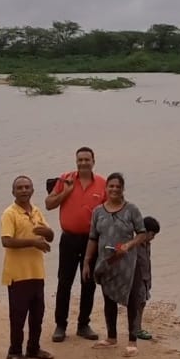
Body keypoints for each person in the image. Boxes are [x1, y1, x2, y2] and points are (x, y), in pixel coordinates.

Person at [45, 146, 107, 342]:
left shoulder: (103, 183)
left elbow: (110, 210)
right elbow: (49, 204)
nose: (83, 163)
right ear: (76, 161)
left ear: (93, 161)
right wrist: (67, 191)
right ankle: (60, 325)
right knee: (65, 282)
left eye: (86, 159)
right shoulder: (66, 179)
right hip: (69, 239)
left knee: (88, 283)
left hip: (92, 240)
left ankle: (83, 324)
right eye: (80, 160)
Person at [83, 173, 147, 357]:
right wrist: (87, 261)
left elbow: (142, 233)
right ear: (106, 188)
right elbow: (93, 238)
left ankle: (132, 341)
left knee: (132, 299)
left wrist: (128, 245)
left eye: (117, 186)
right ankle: (111, 337)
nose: (114, 189)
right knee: (108, 298)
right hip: (106, 261)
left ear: (123, 189)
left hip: (128, 262)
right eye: (111, 186)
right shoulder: (98, 212)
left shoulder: (131, 210)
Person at [0, 175, 56, 359]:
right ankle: (14, 351)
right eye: (20, 188)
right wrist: (32, 241)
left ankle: (33, 348)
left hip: (36, 272)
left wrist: (46, 233)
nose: (24, 190)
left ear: (32, 190)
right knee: (18, 316)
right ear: (13, 192)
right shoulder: (9, 213)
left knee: (37, 314)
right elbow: (6, 241)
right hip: (17, 274)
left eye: (27, 187)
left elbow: (50, 235)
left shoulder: (37, 211)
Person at [132, 216, 160, 341]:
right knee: (138, 303)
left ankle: (137, 327)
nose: (153, 238)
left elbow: (147, 262)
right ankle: (135, 328)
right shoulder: (135, 243)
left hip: (145, 277)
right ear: (146, 232)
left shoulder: (147, 245)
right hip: (136, 278)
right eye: (152, 234)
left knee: (142, 303)